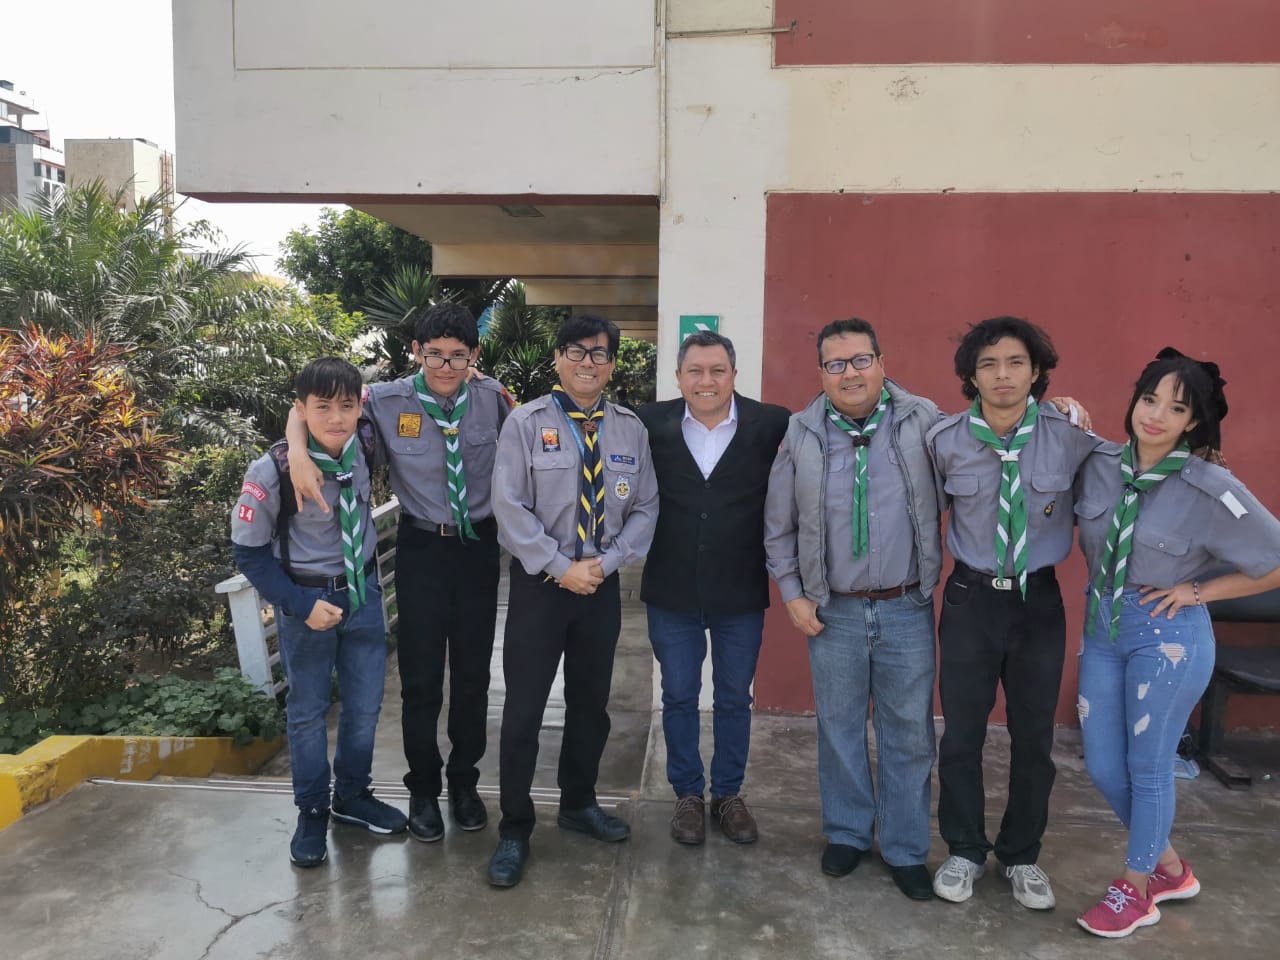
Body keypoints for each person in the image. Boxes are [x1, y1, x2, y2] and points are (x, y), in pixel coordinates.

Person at [1074, 348, 1280, 938]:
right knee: (1104, 765)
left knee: (1148, 766)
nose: (1156, 415)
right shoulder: (1099, 463)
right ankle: (1169, 867)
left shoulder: (1212, 487)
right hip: (1103, 627)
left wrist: (1198, 591)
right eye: (1149, 399)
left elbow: (1275, 559)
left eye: (1176, 407)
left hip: (1167, 637)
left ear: (1194, 422)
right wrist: (1063, 409)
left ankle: (1136, 888)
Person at [287, 304, 512, 842]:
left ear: (474, 355)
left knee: (474, 677)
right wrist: (295, 451)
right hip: (421, 549)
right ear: (416, 351)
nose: (445, 367)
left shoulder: (494, 399)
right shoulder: (386, 401)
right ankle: (423, 789)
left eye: (458, 356)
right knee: (420, 678)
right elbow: (315, 407)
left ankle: (464, 783)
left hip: (479, 548)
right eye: (434, 354)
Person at [926, 316, 1103, 910]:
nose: (1002, 375)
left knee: (1034, 737)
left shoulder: (1071, 436)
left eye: (1015, 363)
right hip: (970, 598)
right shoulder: (945, 440)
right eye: (989, 364)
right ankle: (964, 849)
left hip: (1038, 602)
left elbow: (1125, 478)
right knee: (961, 735)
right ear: (971, 376)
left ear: (1036, 372)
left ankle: (1022, 854)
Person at [764, 317, 943, 900]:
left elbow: (983, 449)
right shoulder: (801, 433)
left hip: (905, 606)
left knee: (909, 733)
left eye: (861, 360)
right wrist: (793, 593)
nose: (850, 373)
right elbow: (778, 526)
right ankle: (846, 832)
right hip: (833, 610)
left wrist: (1051, 410)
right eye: (835, 364)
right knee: (838, 728)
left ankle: (905, 847)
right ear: (821, 373)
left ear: (882, 363)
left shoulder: (923, 421)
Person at [486, 314, 659, 888]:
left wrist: (604, 565)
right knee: (524, 711)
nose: (588, 362)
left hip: (599, 588)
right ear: (558, 358)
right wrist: (561, 568)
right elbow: (508, 507)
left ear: (612, 364)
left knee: (591, 705)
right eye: (577, 352)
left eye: (600, 353)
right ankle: (514, 828)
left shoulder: (630, 429)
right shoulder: (525, 422)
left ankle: (578, 803)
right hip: (541, 589)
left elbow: (647, 507)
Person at [231, 357, 407, 867]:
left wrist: (469, 372)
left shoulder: (364, 443)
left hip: (363, 593)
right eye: (322, 407)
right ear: (301, 409)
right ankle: (312, 809)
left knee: (365, 706)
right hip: (306, 602)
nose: (336, 417)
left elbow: (402, 389)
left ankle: (352, 795)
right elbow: (248, 553)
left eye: (345, 406)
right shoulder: (272, 470)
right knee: (307, 712)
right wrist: (301, 605)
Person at [637, 331, 790, 846]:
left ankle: (727, 794)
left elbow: (832, 420)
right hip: (671, 589)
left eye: (717, 370)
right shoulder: (646, 422)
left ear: (734, 375)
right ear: (679, 377)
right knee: (678, 695)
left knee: (733, 698)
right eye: (696, 371)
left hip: (739, 591)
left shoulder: (771, 423)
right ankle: (687, 793)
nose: (707, 381)